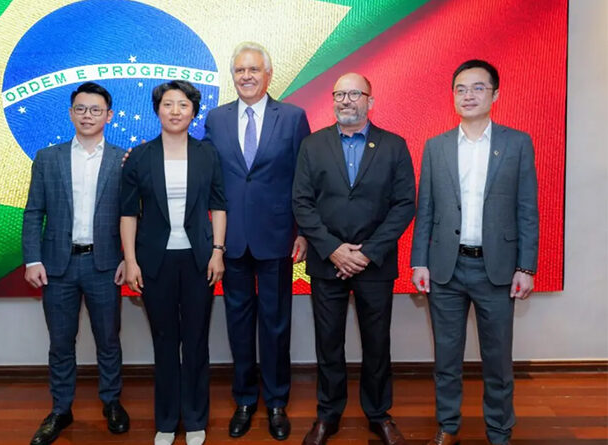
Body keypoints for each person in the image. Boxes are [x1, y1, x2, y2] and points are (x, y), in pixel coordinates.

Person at [411, 59, 538, 445]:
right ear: (453, 96)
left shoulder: (517, 143)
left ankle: (499, 432)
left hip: (496, 270)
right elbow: (426, 209)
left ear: (495, 94)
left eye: (478, 88)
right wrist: (419, 261)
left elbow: (527, 209)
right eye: (461, 89)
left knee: (497, 361)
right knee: (446, 360)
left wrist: (526, 266)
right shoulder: (436, 146)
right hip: (446, 268)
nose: (469, 95)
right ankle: (448, 427)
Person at [292, 73, 415, 445]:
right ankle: (328, 414)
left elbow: (405, 203)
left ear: (370, 101)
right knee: (328, 342)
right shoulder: (313, 145)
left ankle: (379, 413)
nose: (346, 100)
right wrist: (332, 249)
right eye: (339, 94)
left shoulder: (393, 146)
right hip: (326, 260)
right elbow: (301, 202)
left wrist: (369, 251)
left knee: (377, 342)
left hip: (374, 263)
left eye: (354, 94)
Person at [202, 41, 311, 441]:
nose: (246, 76)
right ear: (233, 76)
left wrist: (302, 232)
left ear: (268, 74)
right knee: (238, 323)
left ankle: (277, 401)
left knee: (276, 323)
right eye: (239, 71)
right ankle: (246, 399)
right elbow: (207, 174)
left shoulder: (294, 117)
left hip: (278, 237)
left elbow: (305, 180)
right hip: (229, 240)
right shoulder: (215, 118)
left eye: (253, 70)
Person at [120, 80, 227, 445]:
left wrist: (218, 251)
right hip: (154, 261)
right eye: (168, 104)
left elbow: (219, 205)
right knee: (164, 340)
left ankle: (196, 419)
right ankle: (166, 421)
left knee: (196, 340)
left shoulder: (207, 154)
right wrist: (130, 260)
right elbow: (128, 213)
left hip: (199, 259)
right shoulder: (139, 156)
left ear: (193, 112)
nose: (176, 111)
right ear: (157, 110)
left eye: (183, 104)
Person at [22, 82, 129, 445]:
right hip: (56, 266)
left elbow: (134, 216)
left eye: (95, 110)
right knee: (61, 342)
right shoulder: (48, 158)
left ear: (109, 116)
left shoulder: (123, 159)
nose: (87, 115)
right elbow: (34, 212)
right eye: (81, 109)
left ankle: (112, 402)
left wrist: (129, 260)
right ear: (70, 113)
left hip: (105, 264)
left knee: (108, 340)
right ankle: (61, 409)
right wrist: (33, 259)